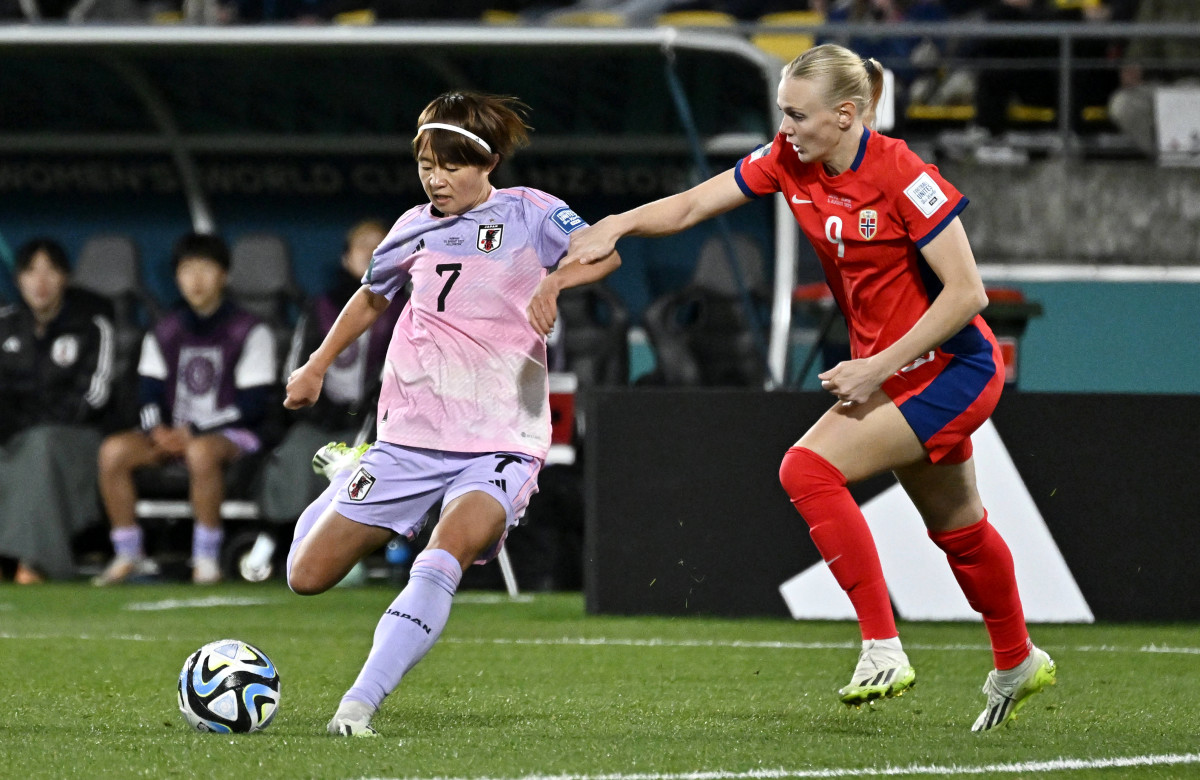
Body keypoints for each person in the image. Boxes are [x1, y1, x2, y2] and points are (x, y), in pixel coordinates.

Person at [566, 43, 1055, 733]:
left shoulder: (904, 175)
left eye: (798, 114)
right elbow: (693, 204)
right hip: (897, 370)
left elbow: (966, 294)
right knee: (959, 528)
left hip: (952, 367)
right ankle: (1017, 660)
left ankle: (882, 647)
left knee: (807, 469)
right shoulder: (787, 160)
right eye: (783, 112)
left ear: (846, 115)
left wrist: (876, 367)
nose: (785, 127)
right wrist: (618, 224)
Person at [283, 91, 621, 737]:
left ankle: (357, 706)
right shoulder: (411, 226)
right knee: (306, 576)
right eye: (426, 165)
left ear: (487, 162)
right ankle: (348, 476)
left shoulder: (531, 212)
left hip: (502, 437)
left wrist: (555, 281)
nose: (436, 179)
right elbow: (371, 296)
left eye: (450, 165)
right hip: (411, 433)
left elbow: (605, 252)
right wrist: (317, 364)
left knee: (445, 553)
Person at [93, 232, 277, 586]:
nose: (196, 280)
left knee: (200, 451)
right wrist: (157, 432)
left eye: (205, 269)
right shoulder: (164, 330)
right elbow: (147, 393)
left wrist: (192, 432)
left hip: (233, 436)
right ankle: (128, 554)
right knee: (113, 451)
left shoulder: (251, 330)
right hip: (174, 434)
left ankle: (206, 558)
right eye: (187, 270)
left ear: (224, 275)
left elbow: (251, 405)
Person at [257, 219, 405, 525]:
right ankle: (285, 536)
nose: (371, 251)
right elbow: (296, 371)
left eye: (380, 245)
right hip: (321, 422)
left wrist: (365, 414)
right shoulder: (320, 306)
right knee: (299, 450)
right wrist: (321, 413)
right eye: (362, 245)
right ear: (346, 258)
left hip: (377, 426)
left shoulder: (406, 308)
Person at [0, 239, 116, 583]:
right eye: (31, 271)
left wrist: (28, 424)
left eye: (50, 271)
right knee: (30, 446)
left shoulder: (92, 325)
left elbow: (94, 397)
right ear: (18, 280)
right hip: (16, 436)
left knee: (41, 445)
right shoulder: (5, 325)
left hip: (77, 438)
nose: (41, 281)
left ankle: (35, 563)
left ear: (65, 277)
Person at [1107, 0, 1200, 155]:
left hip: (1192, 84)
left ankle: (1183, 162)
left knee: (1187, 92)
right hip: (1166, 82)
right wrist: (1134, 62)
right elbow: (1143, 37)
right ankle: (1170, 159)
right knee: (1123, 105)